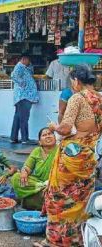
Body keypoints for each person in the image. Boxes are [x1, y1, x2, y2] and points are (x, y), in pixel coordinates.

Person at [35, 65, 102, 247]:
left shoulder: (77, 99)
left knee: (60, 199)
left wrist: (52, 127)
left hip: (72, 158)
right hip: (89, 158)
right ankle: (77, 239)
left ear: (76, 81)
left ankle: (57, 241)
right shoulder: (100, 98)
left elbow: (64, 129)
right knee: (81, 200)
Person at [10, 127, 57, 210]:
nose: (48, 136)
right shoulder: (37, 151)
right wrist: (24, 172)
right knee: (16, 177)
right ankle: (42, 194)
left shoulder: (60, 150)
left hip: (53, 183)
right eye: (44, 135)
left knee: (56, 190)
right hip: (38, 184)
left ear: (55, 137)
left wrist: (50, 183)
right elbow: (27, 167)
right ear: (40, 142)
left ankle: (31, 199)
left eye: (50, 134)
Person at [10, 54, 39, 144]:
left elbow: (31, 72)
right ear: (24, 59)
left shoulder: (25, 67)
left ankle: (13, 137)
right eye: (28, 60)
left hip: (23, 96)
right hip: (24, 96)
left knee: (18, 118)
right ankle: (24, 138)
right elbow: (14, 76)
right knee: (24, 118)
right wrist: (23, 84)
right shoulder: (20, 66)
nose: (29, 62)